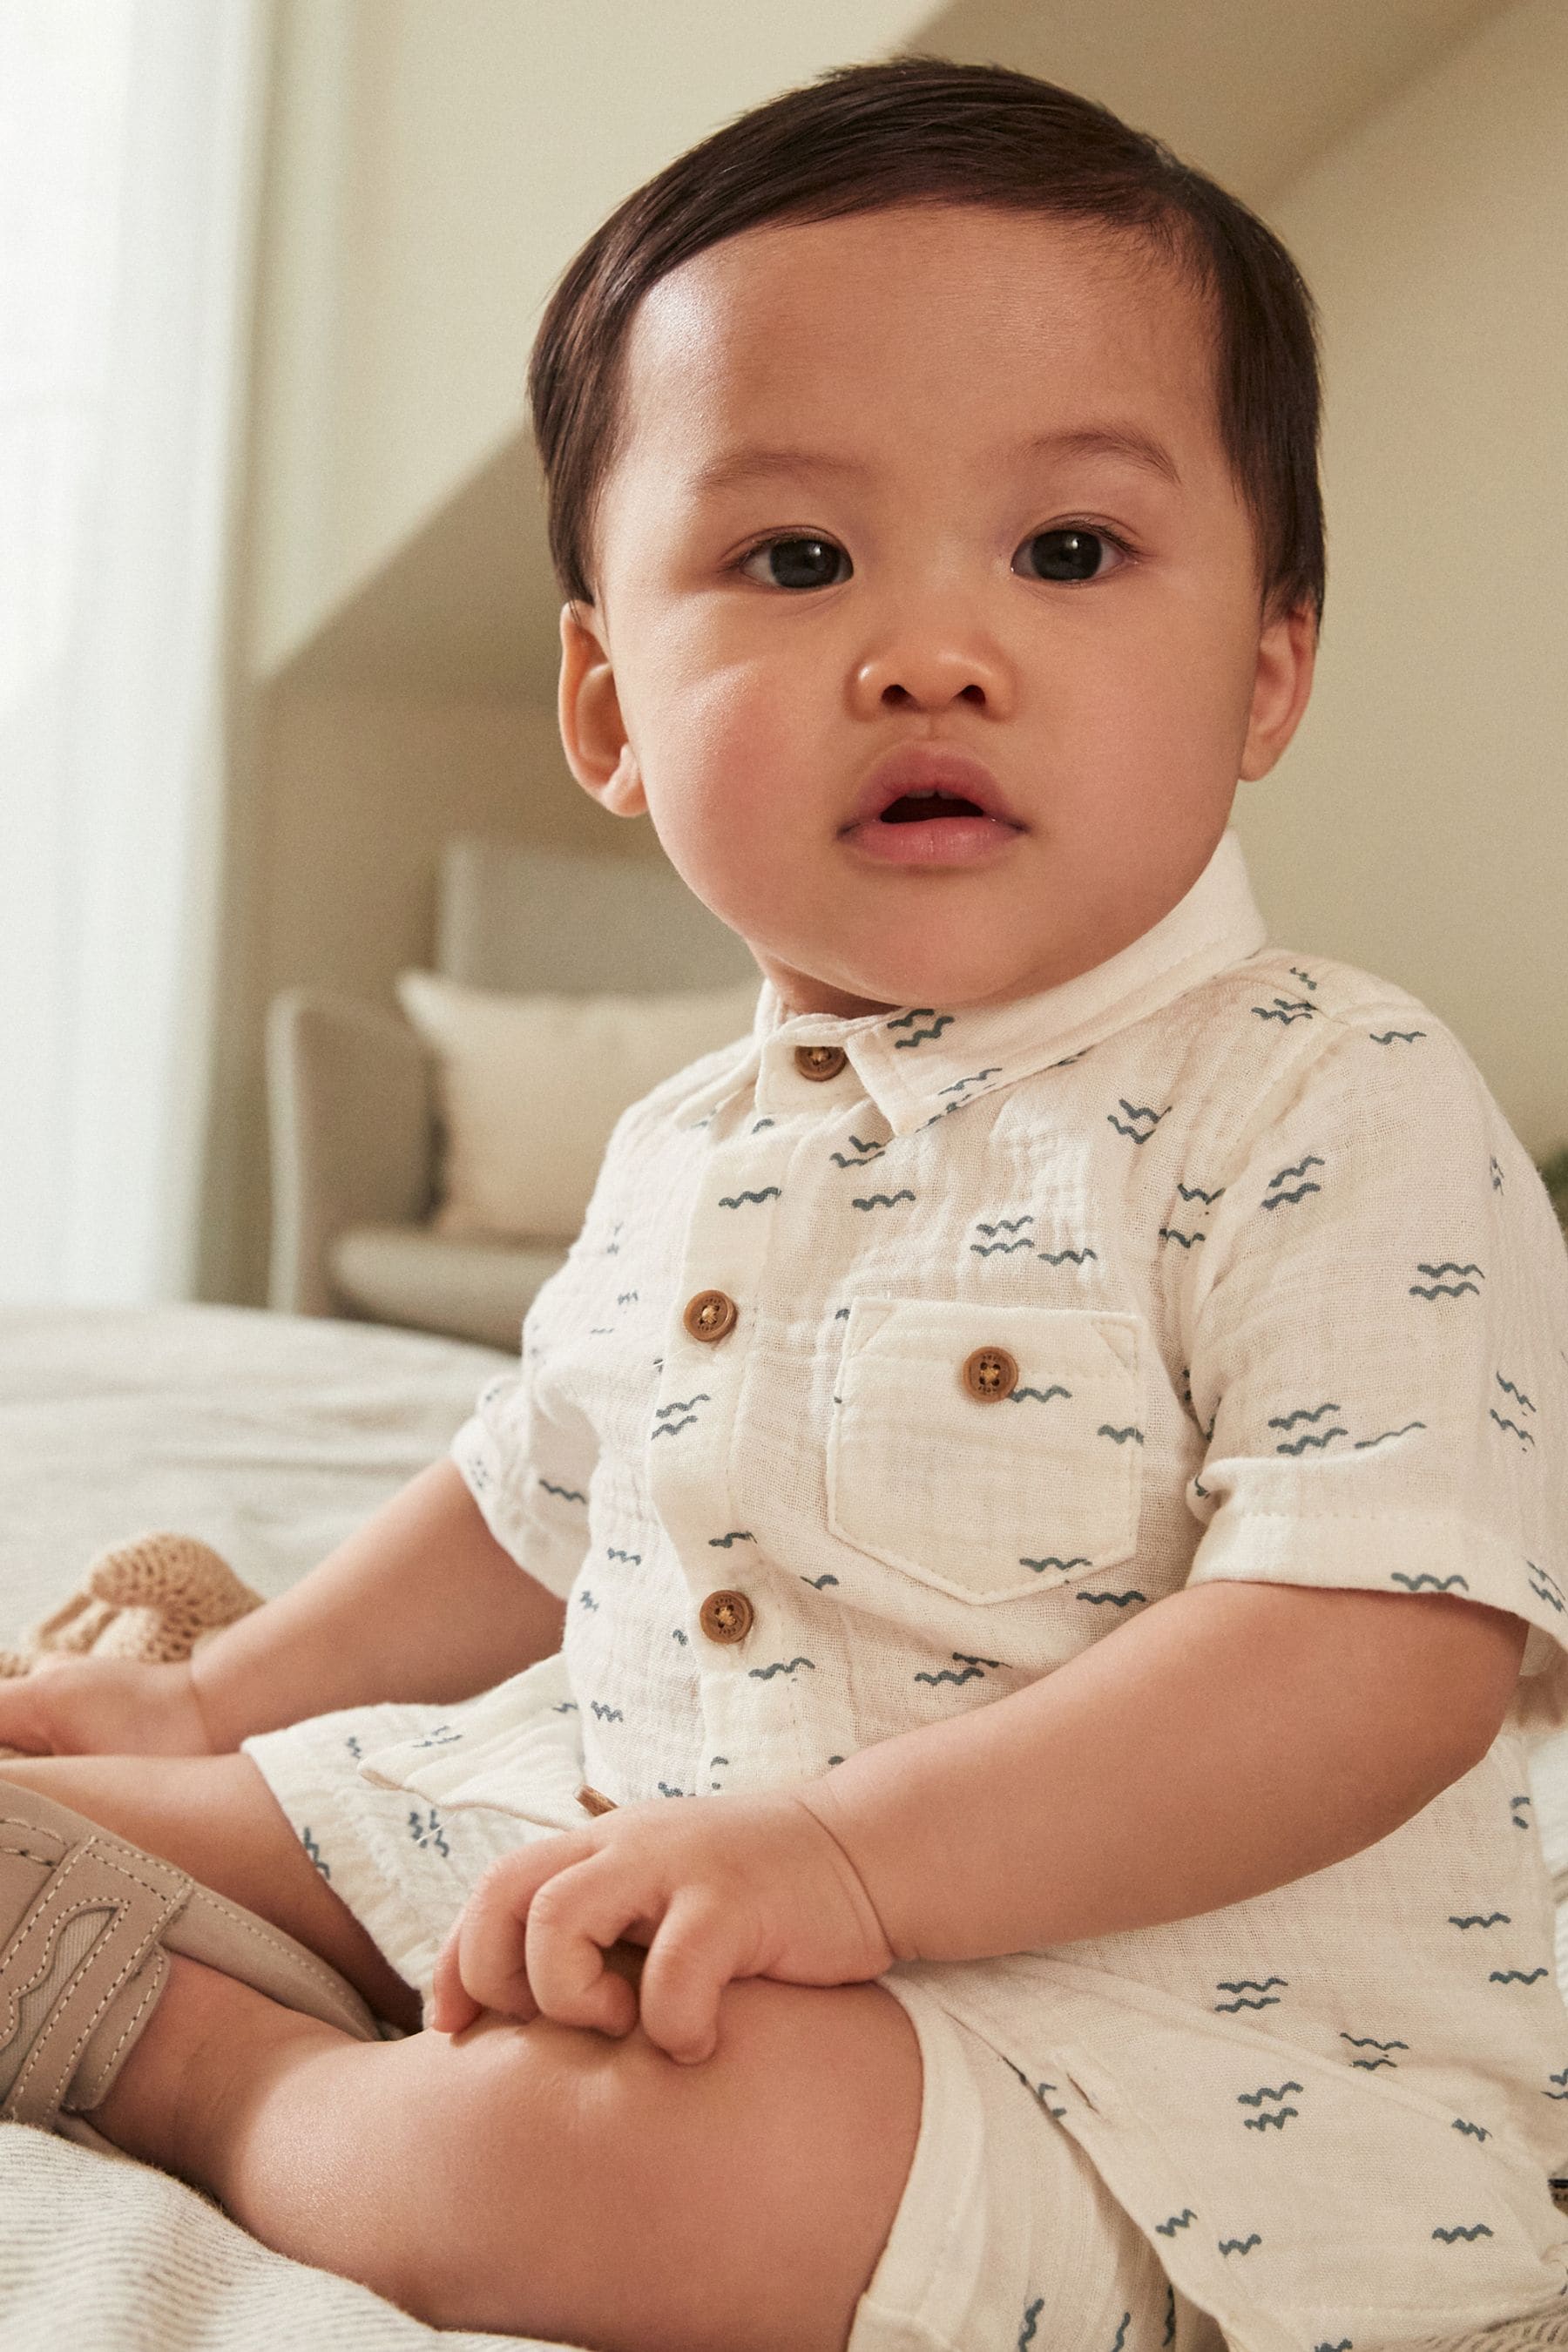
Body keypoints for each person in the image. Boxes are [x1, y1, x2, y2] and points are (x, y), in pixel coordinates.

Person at [2, 53, 1565, 2352]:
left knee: (636, 2170)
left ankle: (203, 2066)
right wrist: (230, 1691)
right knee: (199, 1795)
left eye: (1067, 549)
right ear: (608, 701)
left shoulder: (1331, 1094)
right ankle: (158, 1863)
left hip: (1128, 2033)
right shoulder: (691, 1138)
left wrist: (848, 1866)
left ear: (1265, 665)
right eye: (796, 557)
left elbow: (1379, 1646)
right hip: (625, 1827)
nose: (932, 645)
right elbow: (536, 1496)